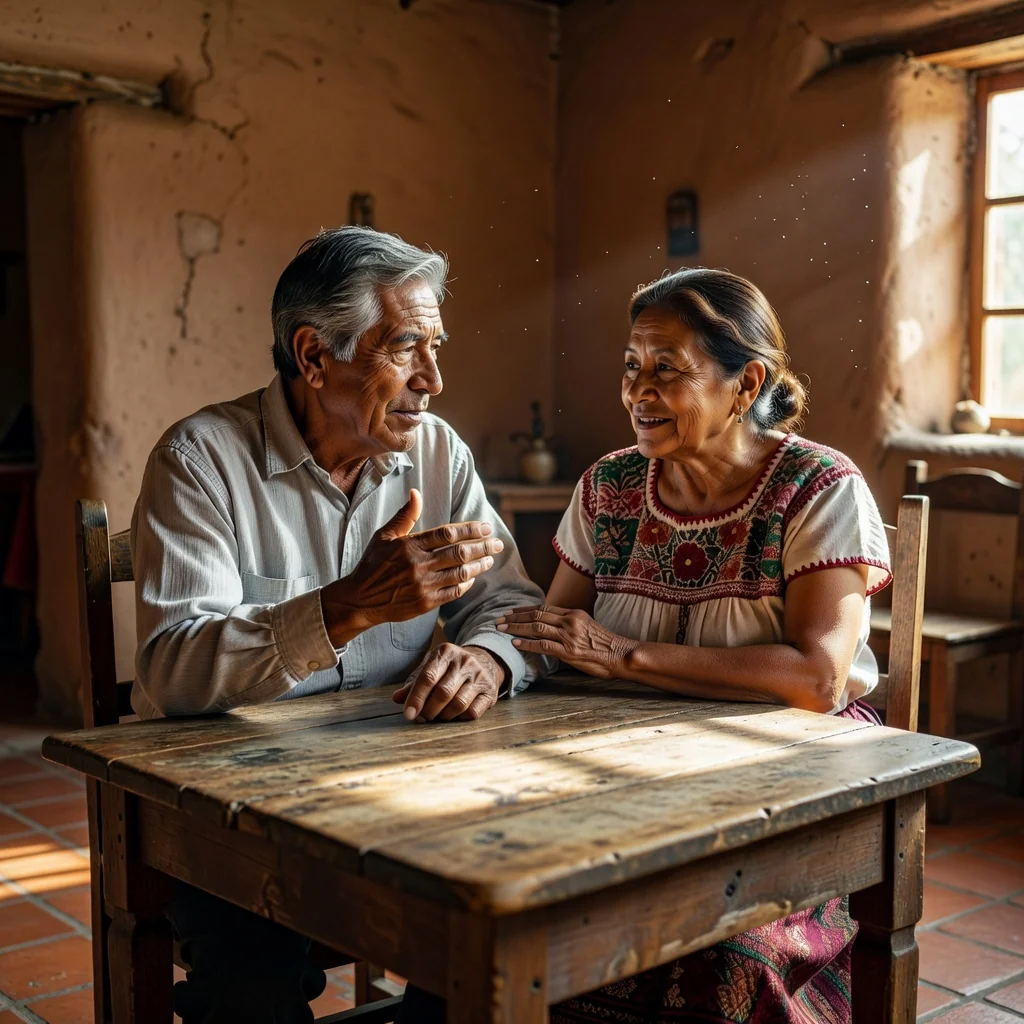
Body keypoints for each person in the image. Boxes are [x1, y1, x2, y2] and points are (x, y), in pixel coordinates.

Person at [131, 225, 547, 1023]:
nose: (434, 378)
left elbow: (508, 602)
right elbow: (172, 669)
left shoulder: (438, 456)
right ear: (315, 356)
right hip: (234, 807)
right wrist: (347, 604)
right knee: (251, 989)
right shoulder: (200, 460)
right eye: (407, 349)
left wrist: (491, 660)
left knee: (493, 945)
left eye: (437, 347)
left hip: (404, 792)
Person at [492, 267, 892, 1023]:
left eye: (666, 371)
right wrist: (485, 654)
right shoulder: (609, 488)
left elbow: (816, 680)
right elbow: (551, 637)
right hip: (625, 770)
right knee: (507, 922)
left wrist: (624, 656)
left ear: (747, 385)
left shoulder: (816, 488)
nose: (639, 391)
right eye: (631, 369)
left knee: (724, 960)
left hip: (786, 782)